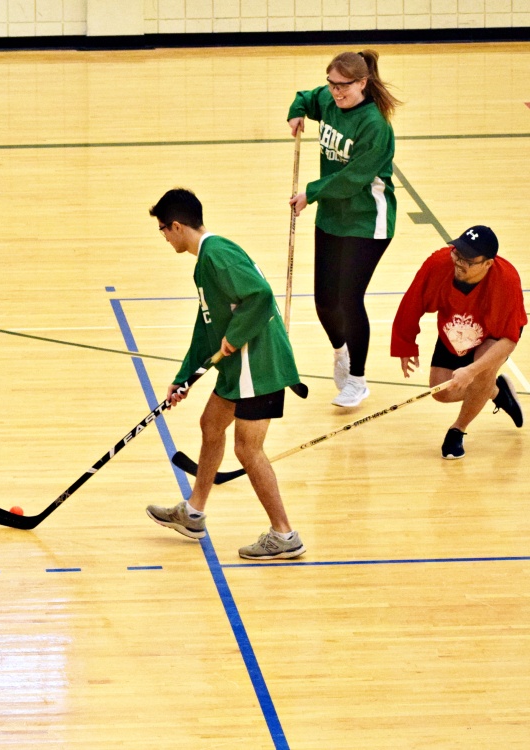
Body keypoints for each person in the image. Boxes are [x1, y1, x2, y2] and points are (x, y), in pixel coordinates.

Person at [144, 189, 306, 560]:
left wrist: (234, 336)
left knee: (248, 449)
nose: (165, 237)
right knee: (210, 425)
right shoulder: (206, 262)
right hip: (240, 365)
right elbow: (206, 330)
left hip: (259, 364)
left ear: (178, 226)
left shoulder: (218, 253)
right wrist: (185, 376)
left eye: (164, 230)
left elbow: (260, 295)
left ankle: (284, 535)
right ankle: (194, 513)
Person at [288, 49, 403, 408]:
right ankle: (341, 352)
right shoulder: (329, 99)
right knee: (324, 301)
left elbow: (354, 178)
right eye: (332, 85)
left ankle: (358, 380)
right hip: (333, 218)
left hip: (368, 220)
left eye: (344, 87)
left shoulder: (375, 125)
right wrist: (296, 113)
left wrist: (312, 192)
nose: (336, 93)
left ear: (363, 82)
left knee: (348, 298)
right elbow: (305, 98)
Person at [391, 226, 525, 459]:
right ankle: (496, 391)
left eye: (469, 260)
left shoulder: (507, 280)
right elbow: (413, 300)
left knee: (482, 369)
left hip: (494, 335)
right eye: (457, 253)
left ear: (488, 264)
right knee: (441, 392)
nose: (459, 262)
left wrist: (473, 370)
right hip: (455, 328)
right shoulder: (438, 264)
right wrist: (405, 343)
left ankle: (458, 430)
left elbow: (509, 340)